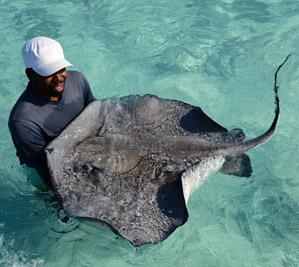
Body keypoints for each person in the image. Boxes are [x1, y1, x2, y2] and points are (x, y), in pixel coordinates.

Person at [8, 36, 95, 186]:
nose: (59, 77)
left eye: (61, 68)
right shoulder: (23, 121)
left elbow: (98, 116)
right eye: (49, 72)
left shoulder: (79, 80)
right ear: (30, 74)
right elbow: (44, 172)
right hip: (50, 170)